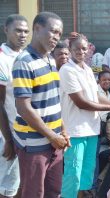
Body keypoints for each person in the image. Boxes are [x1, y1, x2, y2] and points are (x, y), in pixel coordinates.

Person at [59, 32, 110, 198]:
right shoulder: (67, 70)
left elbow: (97, 95)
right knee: (73, 173)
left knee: (86, 174)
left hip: (92, 130)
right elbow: (81, 102)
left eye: (84, 49)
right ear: (70, 49)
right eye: (77, 49)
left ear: (89, 50)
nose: (81, 52)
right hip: (75, 131)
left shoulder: (88, 70)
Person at [12, 12, 70, 198]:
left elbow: (53, 99)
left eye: (59, 34)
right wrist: (53, 136)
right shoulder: (24, 62)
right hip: (34, 145)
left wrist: (62, 131)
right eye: (53, 31)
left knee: (54, 191)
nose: (56, 37)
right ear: (37, 29)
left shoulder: (50, 60)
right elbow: (23, 107)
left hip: (54, 142)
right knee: (34, 193)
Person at [0, 14, 29, 198]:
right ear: (6, 30)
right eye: (18, 30)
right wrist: (8, 140)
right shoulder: (2, 59)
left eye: (26, 31)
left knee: (14, 185)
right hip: (4, 135)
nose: (23, 35)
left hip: (21, 134)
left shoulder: (24, 57)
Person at [98, 71, 110, 143]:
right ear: (99, 81)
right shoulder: (96, 90)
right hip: (97, 123)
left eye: (109, 80)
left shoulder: (108, 93)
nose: (107, 82)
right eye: (104, 80)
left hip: (104, 123)